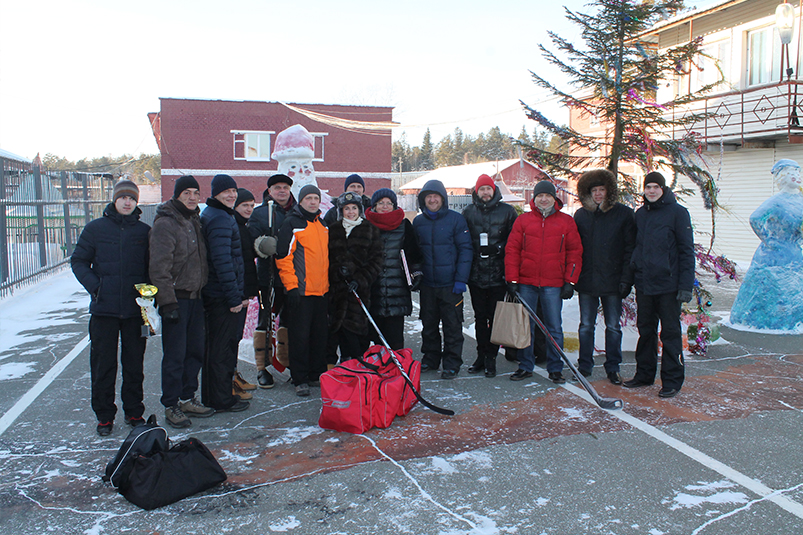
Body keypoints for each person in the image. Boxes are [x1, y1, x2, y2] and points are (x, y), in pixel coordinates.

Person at [71, 180, 150, 436]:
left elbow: (154, 267)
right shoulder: (96, 229)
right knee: (103, 365)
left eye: (132, 199)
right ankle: (104, 416)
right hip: (103, 310)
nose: (127, 202)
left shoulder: (144, 232)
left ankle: (134, 411)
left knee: (134, 364)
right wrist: (96, 287)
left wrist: (148, 294)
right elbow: (79, 261)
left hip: (135, 310)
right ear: (114, 200)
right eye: (123, 198)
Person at [149, 175, 215, 428]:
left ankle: (188, 398)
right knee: (175, 355)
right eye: (186, 192)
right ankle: (171, 404)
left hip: (196, 299)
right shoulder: (166, 223)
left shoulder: (194, 220)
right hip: (176, 300)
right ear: (177, 195)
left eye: (195, 193)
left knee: (195, 352)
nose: (191, 197)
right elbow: (159, 267)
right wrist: (167, 302)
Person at [625, 171, 694, 398]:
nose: (651, 191)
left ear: (663, 189)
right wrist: (632, 274)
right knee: (646, 331)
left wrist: (685, 285)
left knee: (670, 333)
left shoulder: (678, 213)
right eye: (648, 187)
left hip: (669, 286)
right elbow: (636, 247)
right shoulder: (641, 214)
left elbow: (686, 251)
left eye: (656, 187)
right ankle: (644, 375)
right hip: (645, 284)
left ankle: (672, 381)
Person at [505, 180, 582, 384]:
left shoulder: (566, 222)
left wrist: (570, 281)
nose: (544, 199)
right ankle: (525, 365)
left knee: (553, 326)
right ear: (534, 198)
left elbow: (574, 253)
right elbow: (512, 250)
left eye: (547, 195)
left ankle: (555, 367)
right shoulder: (523, 221)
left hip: (553, 284)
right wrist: (512, 279)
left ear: (554, 197)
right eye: (540, 195)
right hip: (527, 282)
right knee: (526, 326)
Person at [573, 169, 636, 385]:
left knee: (613, 327)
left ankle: (613, 367)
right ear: (587, 193)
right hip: (587, 281)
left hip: (613, 281)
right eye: (594, 191)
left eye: (602, 190)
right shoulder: (581, 215)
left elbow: (630, 250)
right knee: (586, 326)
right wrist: (573, 278)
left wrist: (626, 280)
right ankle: (585, 366)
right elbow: (574, 249)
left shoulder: (624, 215)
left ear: (609, 192)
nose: (598, 194)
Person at [730, 159, 803, 330]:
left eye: (798, 173)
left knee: (796, 288)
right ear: (782, 177)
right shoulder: (777, 200)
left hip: (795, 250)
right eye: (791, 173)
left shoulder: (800, 199)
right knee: (773, 289)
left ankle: (794, 320)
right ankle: (767, 321)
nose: (796, 177)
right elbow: (755, 218)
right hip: (774, 254)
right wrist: (769, 239)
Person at [412, 179, 473, 379]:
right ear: (423, 200)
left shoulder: (456, 220)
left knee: (452, 326)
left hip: (450, 284)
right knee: (429, 325)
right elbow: (415, 253)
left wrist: (460, 280)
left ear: (442, 199)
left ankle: (451, 363)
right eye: (428, 197)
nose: (432, 200)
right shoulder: (418, 222)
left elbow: (465, 250)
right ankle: (430, 359)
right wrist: (417, 274)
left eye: (435, 196)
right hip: (428, 285)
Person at [200, 174, 249, 413]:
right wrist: (234, 297)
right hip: (221, 296)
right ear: (215, 194)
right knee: (222, 348)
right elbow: (222, 262)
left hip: (218, 293)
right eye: (226, 192)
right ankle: (220, 398)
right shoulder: (219, 218)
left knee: (219, 346)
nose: (231, 195)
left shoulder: (218, 214)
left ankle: (217, 394)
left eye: (233, 191)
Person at [461, 174, 517, 378]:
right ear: (476, 191)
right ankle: (480, 355)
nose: (485, 192)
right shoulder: (468, 212)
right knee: (479, 316)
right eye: (482, 189)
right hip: (476, 275)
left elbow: (515, 240)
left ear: (494, 190)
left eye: (488, 189)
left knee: (494, 318)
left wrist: (498, 248)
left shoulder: (508, 211)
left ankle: (491, 357)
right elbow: (462, 241)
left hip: (498, 274)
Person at [276, 184, 330, 396]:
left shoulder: (322, 225)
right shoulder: (293, 223)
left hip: (321, 292)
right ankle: (299, 378)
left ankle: (316, 374)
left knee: (319, 336)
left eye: (315, 198)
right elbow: (283, 257)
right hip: (301, 292)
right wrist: (291, 287)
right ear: (301, 201)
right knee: (299, 337)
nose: (313, 201)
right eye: (308, 198)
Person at [248, 173, 296, 388]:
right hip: (268, 277)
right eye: (277, 187)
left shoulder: (298, 211)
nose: (282, 191)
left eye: (285, 187)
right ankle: (263, 367)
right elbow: (252, 240)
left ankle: (289, 362)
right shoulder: (260, 213)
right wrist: (262, 244)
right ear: (270, 191)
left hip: (293, 277)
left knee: (290, 321)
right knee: (265, 319)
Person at [328, 191, 383, 361]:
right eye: (346, 208)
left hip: (360, 292)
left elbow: (377, 260)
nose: (350, 212)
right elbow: (325, 258)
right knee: (338, 330)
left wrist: (360, 279)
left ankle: (358, 365)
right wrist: (337, 271)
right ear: (341, 210)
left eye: (354, 208)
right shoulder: (333, 230)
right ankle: (344, 365)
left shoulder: (370, 230)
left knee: (357, 331)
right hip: (337, 291)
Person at [365, 188, 422, 350]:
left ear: (394, 205)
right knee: (376, 338)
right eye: (380, 203)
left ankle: (396, 370)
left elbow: (414, 255)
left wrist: (416, 273)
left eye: (388, 203)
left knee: (395, 337)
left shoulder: (404, 226)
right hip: (373, 291)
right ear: (374, 206)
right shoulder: (365, 226)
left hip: (397, 290)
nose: (384, 206)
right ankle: (378, 369)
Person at [231, 188, 259, 400]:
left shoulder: (243, 226)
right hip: (235, 293)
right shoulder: (234, 227)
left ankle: (233, 375)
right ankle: (228, 381)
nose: (249, 209)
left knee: (235, 337)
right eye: (244, 205)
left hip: (244, 291)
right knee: (229, 339)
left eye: (251, 205)